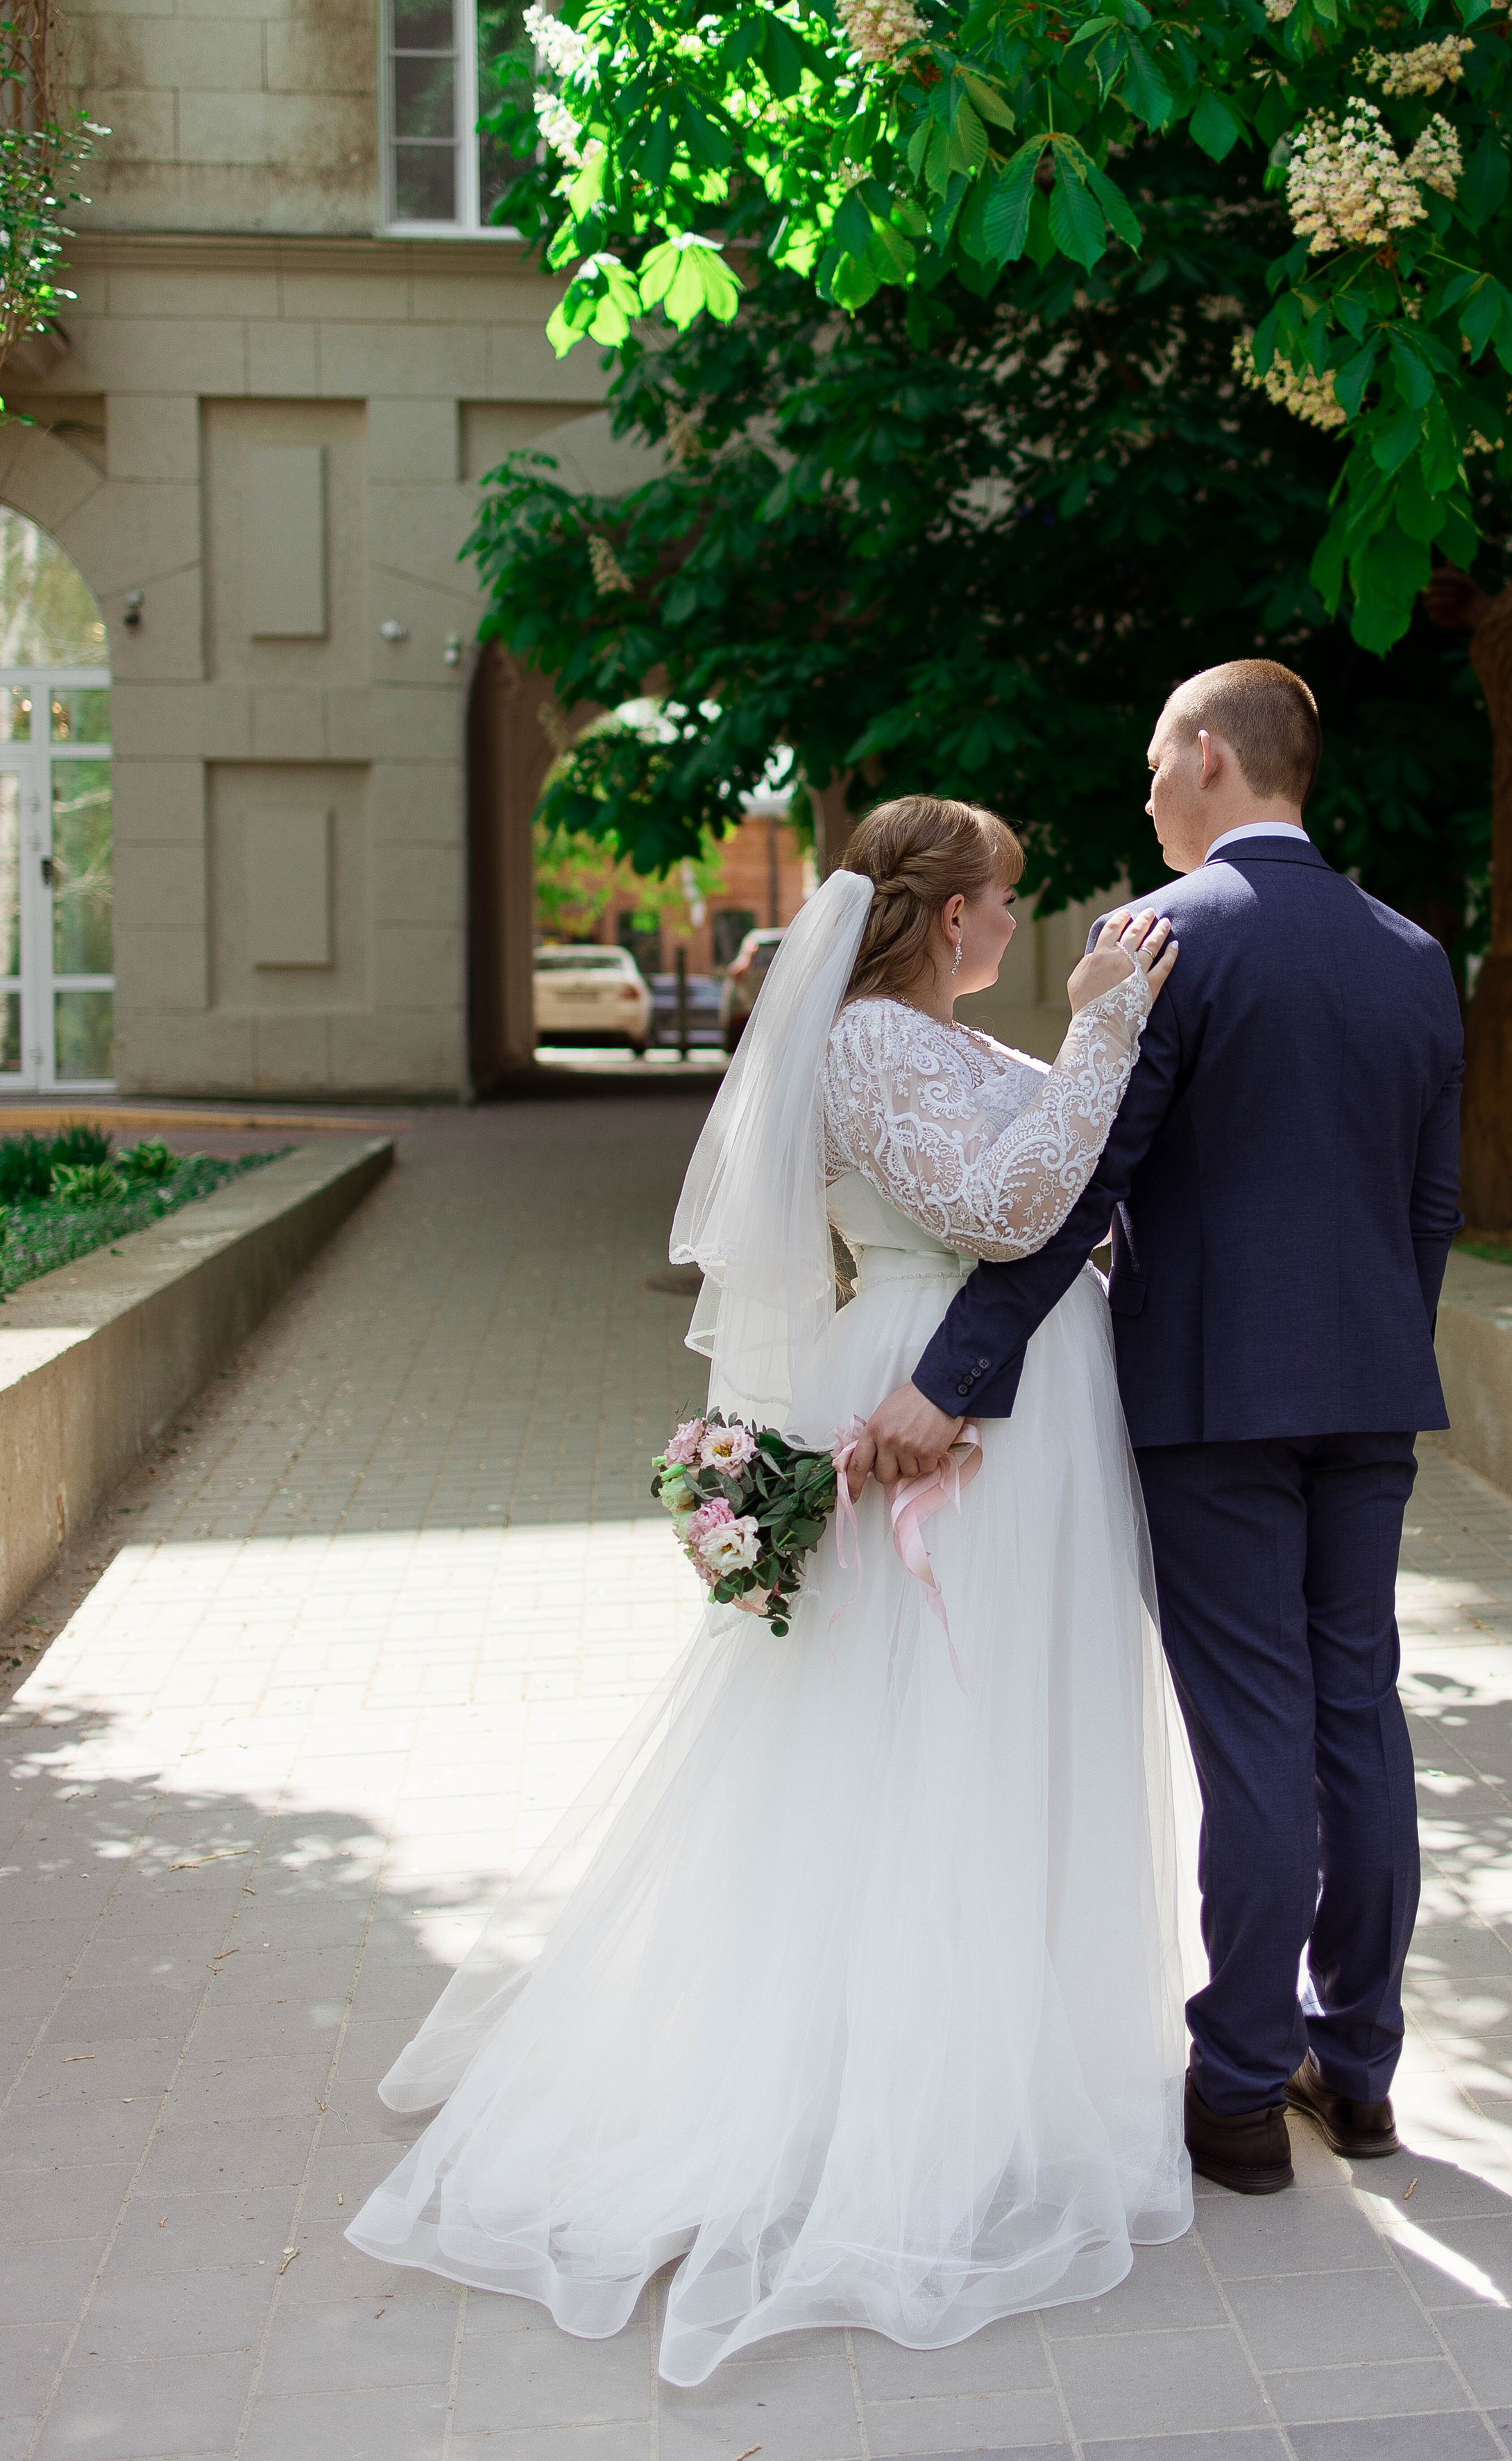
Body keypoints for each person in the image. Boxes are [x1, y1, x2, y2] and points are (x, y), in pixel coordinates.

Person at [347, 795, 1200, 2385]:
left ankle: (994, 2062)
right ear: (943, 913)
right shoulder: (875, 1045)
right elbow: (999, 1207)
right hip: (947, 1409)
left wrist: (1081, 1048)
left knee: (998, 1726)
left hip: (1023, 1403)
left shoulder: (944, 1035)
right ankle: (892, 2105)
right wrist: (1092, 1027)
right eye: (1002, 896)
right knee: (923, 1734)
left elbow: (1066, 1167)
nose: (1015, 920)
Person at [850, 663, 1466, 2197]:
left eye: (1147, 763)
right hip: (1369, 1394)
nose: (1138, 792)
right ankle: (1365, 2065)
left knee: (1253, 1727)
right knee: (1354, 1710)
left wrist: (953, 1373)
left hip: (1208, 1399)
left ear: (1206, 757)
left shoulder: (1159, 937)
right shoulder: (1410, 951)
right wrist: (1382, 1346)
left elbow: (1077, 1189)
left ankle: (1244, 2088)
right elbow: (1430, 1202)